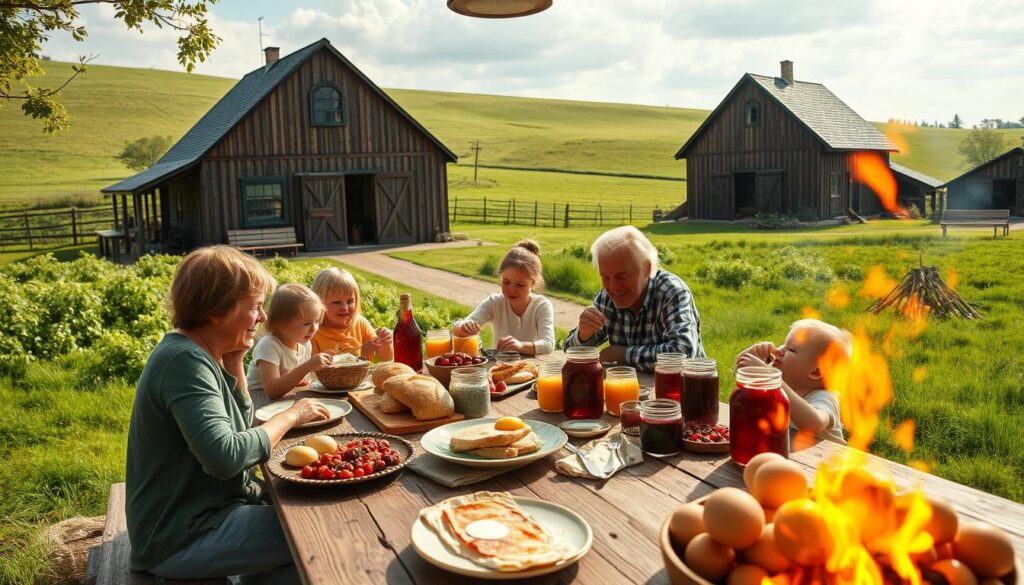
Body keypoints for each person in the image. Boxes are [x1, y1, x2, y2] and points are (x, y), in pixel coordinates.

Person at [126, 246, 331, 584]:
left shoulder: (199, 353)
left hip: (206, 513)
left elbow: (241, 425)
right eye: (254, 307)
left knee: (308, 526)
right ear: (215, 311)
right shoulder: (184, 362)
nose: (263, 318)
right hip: (179, 534)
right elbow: (226, 456)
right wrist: (293, 415)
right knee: (318, 530)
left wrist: (235, 361)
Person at [564, 226, 705, 373]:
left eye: (622, 276)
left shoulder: (670, 291)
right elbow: (570, 352)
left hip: (684, 390)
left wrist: (624, 354)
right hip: (631, 389)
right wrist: (584, 335)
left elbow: (684, 353)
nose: (613, 287)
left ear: (647, 269)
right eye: (605, 277)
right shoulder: (607, 298)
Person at [735, 318, 849, 444]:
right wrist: (752, 354)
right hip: (793, 453)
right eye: (783, 344)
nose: (779, 350)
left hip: (825, 461)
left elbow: (814, 423)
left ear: (815, 372)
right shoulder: (781, 384)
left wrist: (770, 378)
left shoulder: (826, 398)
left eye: (791, 349)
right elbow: (742, 368)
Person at [453, 240, 555, 355]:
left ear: (532, 283)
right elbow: (456, 329)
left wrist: (520, 346)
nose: (511, 290)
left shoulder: (541, 305)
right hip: (499, 368)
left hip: (532, 368)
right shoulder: (494, 302)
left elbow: (548, 344)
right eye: (506, 282)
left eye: (520, 284)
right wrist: (464, 327)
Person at [246, 283, 335, 400]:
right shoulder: (269, 346)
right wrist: (308, 366)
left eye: (317, 321)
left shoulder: (304, 344)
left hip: (283, 399)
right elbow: (271, 391)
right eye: (306, 323)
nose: (314, 328)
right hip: (258, 401)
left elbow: (292, 381)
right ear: (281, 324)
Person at [310, 267, 393, 361]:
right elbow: (316, 372)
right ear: (319, 303)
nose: (345, 308)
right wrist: (363, 353)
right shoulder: (313, 332)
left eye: (350, 301)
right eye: (336, 302)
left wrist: (385, 342)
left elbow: (386, 361)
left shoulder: (360, 323)